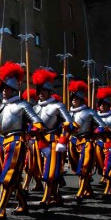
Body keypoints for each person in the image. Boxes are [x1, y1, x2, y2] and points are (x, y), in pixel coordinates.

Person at [0, 62, 44, 220]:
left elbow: (38, 122)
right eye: (3, 88)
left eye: (7, 88)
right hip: (1, 142)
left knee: (8, 175)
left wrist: (34, 130)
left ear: (14, 89)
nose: (4, 91)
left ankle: (1, 210)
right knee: (5, 174)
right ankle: (22, 204)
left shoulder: (23, 105)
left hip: (16, 142)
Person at [31, 69, 73, 209]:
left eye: (44, 91)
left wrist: (63, 140)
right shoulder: (35, 107)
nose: (41, 93)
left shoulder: (58, 106)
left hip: (54, 143)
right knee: (41, 171)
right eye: (39, 90)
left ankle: (46, 198)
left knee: (49, 172)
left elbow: (69, 124)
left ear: (49, 92)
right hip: (39, 143)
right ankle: (57, 196)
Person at [67, 80, 107, 203]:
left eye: (76, 98)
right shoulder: (69, 113)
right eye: (72, 97)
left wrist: (98, 130)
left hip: (86, 141)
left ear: (81, 99)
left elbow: (102, 125)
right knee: (75, 167)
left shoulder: (90, 112)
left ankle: (81, 192)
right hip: (73, 141)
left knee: (84, 168)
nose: (74, 100)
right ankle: (88, 190)